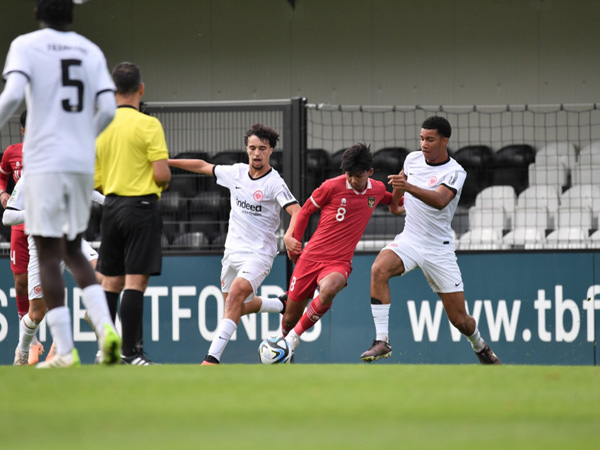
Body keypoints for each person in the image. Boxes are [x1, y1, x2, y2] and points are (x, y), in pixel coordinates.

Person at [0, 0, 121, 368]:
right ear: (72, 13)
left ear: (38, 13)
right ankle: (105, 330)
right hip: (80, 162)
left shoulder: (25, 45)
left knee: (48, 254)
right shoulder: (90, 50)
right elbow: (109, 109)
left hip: (45, 162)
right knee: (75, 250)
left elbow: (13, 97)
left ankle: (66, 352)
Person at [360, 116, 501, 365]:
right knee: (378, 269)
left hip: (439, 250)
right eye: (422, 138)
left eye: (430, 139)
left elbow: (440, 201)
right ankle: (382, 341)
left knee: (460, 320)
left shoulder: (455, 171)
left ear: (445, 141)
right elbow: (400, 185)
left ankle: (480, 345)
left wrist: (408, 187)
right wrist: (395, 204)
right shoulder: (412, 159)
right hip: (410, 240)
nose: (424, 144)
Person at [168, 123, 301, 365]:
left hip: (259, 253)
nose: (256, 153)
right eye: (252, 148)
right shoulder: (236, 172)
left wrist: (290, 235)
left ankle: (211, 359)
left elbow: (297, 211)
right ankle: (280, 304)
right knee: (237, 305)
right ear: (247, 149)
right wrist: (167, 162)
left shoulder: (274, 182)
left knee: (236, 296)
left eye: (262, 148)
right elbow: (202, 166)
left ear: (271, 150)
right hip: (232, 252)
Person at [279, 143, 404, 358]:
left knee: (330, 288)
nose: (353, 180)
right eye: (349, 175)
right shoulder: (330, 186)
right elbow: (305, 211)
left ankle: (292, 339)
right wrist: (294, 240)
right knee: (290, 318)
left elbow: (395, 201)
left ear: (370, 172)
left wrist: (410, 202)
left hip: (339, 262)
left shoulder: (376, 189)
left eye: (358, 175)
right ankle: (284, 347)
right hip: (310, 257)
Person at [95, 62, 171, 366]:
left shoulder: (101, 125)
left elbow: (96, 180)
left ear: (113, 91)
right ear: (141, 89)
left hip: (110, 208)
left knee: (110, 282)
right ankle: (130, 352)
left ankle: (106, 350)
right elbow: (162, 174)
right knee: (135, 283)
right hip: (140, 208)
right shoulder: (148, 125)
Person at [4, 178, 105, 365]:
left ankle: (94, 313)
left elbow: (83, 188)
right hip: (42, 244)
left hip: (70, 239)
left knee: (103, 276)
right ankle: (23, 351)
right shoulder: (29, 177)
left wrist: (106, 201)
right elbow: (7, 217)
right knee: (36, 313)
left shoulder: (66, 166)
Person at [0, 110, 45, 364]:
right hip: (21, 224)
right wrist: (1, 194)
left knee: (51, 284)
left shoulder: (51, 155)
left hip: (48, 227)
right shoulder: (12, 153)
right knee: (20, 282)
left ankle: (57, 347)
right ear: (25, 131)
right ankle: (31, 342)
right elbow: (2, 174)